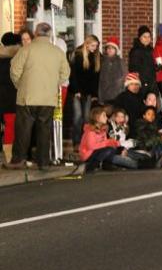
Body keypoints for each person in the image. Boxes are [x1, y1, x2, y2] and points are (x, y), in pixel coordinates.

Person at [4, 23, 70, 170]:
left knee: (23, 130)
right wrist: (54, 84)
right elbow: (65, 74)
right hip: (48, 98)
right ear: (49, 34)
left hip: (27, 96)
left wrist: (20, 85)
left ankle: (18, 160)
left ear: (35, 33)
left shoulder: (27, 49)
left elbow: (14, 70)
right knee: (44, 130)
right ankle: (43, 162)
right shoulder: (57, 52)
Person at [79, 106, 138, 171]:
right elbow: (92, 146)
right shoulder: (90, 131)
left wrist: (116, 144)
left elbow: (106, 143)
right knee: (109, 150)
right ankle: (91, 166)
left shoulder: (103, 129)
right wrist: (108, 143)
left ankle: (107, 165)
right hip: (88, 154)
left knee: (112, 149)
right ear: (97, 118)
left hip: (99, 153)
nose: (106, 118)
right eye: (104, 116)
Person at [69, 35, 101, 148]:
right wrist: (76, 90)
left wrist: (94, 94)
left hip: (88, 92)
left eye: (96, 46)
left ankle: (85, 141)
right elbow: (73, 75)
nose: (95, 48)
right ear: (86, 44)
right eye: (93, 45)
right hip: (77, 91)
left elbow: (95, 78)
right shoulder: (78, 55)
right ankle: (76, 141)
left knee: (87, 118)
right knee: (78, 117)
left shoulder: (96, 57)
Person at [0, 33, 21, 163]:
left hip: (3, 98)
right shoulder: (17, 59)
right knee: (13, 127)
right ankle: (10, 157)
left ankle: (8, 155)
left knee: (8, 126)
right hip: (14, 98)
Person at [98, 37, 127, 104]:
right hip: (105, 94)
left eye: (112, 48)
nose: (110, 50)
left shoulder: (120, 62)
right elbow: (100, 80)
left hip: (117, 94)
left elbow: (124, 77)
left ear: (116, 50)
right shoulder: (103, 62)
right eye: (108, 48)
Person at [129, 26, 156, 94]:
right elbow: (134, 69)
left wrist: (158, 67)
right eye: (144, 36)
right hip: (142, 84)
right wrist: (143, 82)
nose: (147, 39)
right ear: (140, 38)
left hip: (152, 83)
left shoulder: (151, 50)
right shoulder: (136, 51)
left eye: (149, 36)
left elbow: (151, 66)